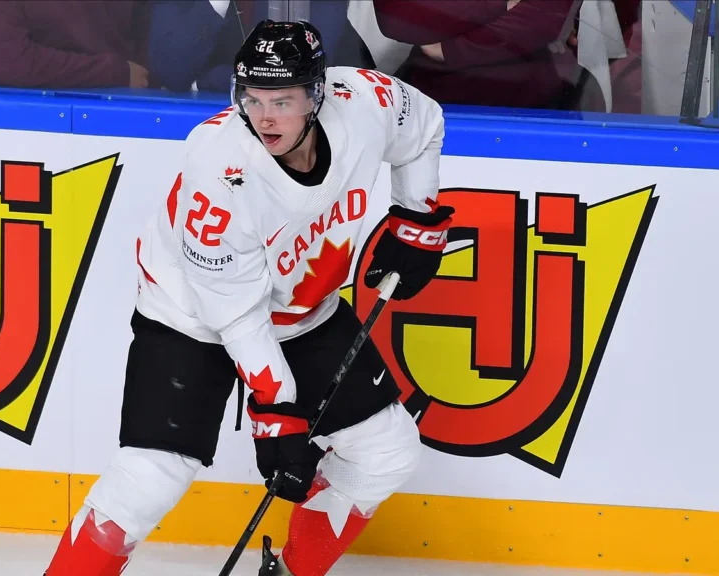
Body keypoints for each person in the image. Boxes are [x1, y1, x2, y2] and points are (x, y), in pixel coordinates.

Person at [45, 19, 454, 576]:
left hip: (301, 310)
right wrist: (277, 412)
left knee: (387, 451)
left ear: (318, 94)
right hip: (190, 316)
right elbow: (236, 316)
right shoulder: (220, 165)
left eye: (282, 101)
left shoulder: (364, 100)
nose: (264, 117)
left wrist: (415, 216)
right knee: (150, 478)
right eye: (252, 98)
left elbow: (425, 124)